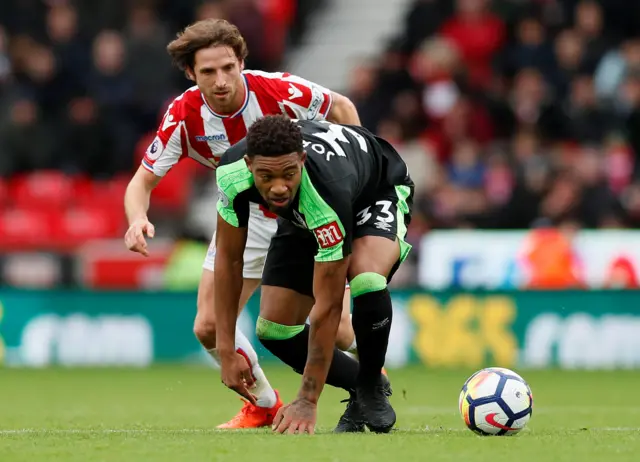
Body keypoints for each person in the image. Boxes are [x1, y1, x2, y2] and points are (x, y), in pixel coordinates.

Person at [123, 19, 362, 429]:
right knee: (209, 326)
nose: (221, 80)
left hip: (305, 218)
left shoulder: (277, 90)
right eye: (208, 72)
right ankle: (264, 404)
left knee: (338, 331)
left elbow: (341, 108)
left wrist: (354, 176)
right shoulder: (183, 115)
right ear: (190, 74)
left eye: (228, 67)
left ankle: (369, 375)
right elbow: (141, 181)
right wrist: (136, 219)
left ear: (241, 63)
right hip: (243, 221)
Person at [214, 115, 414, 434]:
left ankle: (371, 382)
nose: (278, 187)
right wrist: (225, 349)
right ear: (249, 164)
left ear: (302, 161)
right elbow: (228, 260)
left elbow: (329, 305)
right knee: (275, 329)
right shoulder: (230, 174)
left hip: (376, 190)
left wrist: (308, 398)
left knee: (367, 279)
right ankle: (362, 385)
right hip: (305, 214)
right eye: (266, 176)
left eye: (288, 174)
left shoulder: (327, 195)